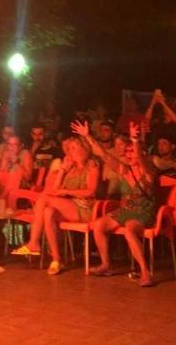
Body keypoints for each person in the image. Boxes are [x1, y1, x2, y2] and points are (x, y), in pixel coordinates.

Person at [78, 120, 157, 286]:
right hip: (125, 210)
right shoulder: (124, 170)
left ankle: (145, 272)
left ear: (141, 153)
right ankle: (106, 264)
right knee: (99, 225)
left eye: (132, 151)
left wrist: (135, 141)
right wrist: (88, 137)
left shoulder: (148, 172)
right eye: (127, 152)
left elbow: (142, 160)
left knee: (129, 229)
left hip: (143, 212)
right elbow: (104, 155)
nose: (129, 154)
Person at [10, 135, 100, 274]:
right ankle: (57, 260)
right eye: (69, 149)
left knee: (44, 199)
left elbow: (91, 192)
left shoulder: (92, 165)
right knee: (48, 212)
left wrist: (66, 192)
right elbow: (54, 189)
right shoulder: (71, 168)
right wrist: (62, 170)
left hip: (84, 208)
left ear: (84, 149)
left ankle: (34, 242)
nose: (70, 151)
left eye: (74, 148)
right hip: (68, 206)